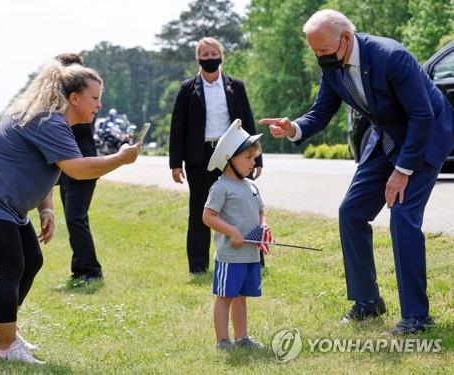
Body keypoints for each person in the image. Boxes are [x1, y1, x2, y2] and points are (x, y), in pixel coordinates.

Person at [259, 9, 453, 335]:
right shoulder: (333, 65)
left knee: (403, 217)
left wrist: (402, 171)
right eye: (314, 51)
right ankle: (367, 302)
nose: (319, 57)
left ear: (346, 38)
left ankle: (417, 317)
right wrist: (294, 127)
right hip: (387, 137)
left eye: (322, 50)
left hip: (425, 136)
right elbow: (321, 112)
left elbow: (422, 117)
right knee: (351, 212)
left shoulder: (392, 57)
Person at [0, 60, 141, 363]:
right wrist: (119, 158)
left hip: (3, 202)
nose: (100, 104)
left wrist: (47, 211)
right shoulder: (49, 122)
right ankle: (5, 349)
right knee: (11, 267)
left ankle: (0, 331)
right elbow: (77, 170)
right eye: (95, 98)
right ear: (75, 98)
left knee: (32, 260)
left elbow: (45, 169)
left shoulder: (53, 122)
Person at [170, 37, 263, 275]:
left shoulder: (236, 87)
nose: (210, 58)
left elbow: (249, 121)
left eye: (214, 54)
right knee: (200, 209)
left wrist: (257, 158)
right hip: (199, 157)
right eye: (205, 54)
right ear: (198, 58)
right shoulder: (187, 89)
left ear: (221, 56)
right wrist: (175, 163)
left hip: (234, 154)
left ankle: (254, 258)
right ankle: (198, 266)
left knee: (243, 206)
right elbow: (177, 127)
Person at [203, 119, 267, 350]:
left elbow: (261, 212)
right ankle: (222, 341)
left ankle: (242, 338)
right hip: (230, 256)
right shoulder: (221, 188)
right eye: (248, 158)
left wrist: (263, 228)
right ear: (230, 158)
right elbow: (208, 216)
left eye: (254, 157)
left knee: (241, 296)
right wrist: (231, 232)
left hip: (250, 255)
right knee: (226, 297)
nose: (253, 162)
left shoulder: (251, 186)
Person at [55, 53, 102, 283]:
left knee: (76, 219)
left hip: (83, 165)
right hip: (67, 168)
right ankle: (79, 268)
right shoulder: (61, 104)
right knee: (73, 218)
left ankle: (91, 270)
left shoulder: (81, 103)